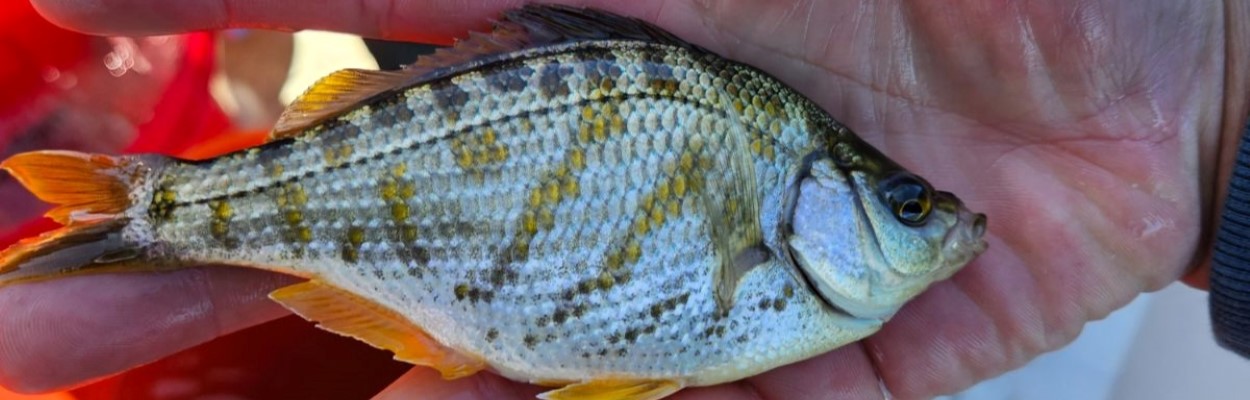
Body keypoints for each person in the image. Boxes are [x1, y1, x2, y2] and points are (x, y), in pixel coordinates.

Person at [3, 1, 1247, 399]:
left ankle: (146, 213)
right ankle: (154, 211)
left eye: (910, 208)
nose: (946, 228)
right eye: (906, 207)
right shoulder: (776, 246)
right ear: (813, 200)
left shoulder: (773, 200)